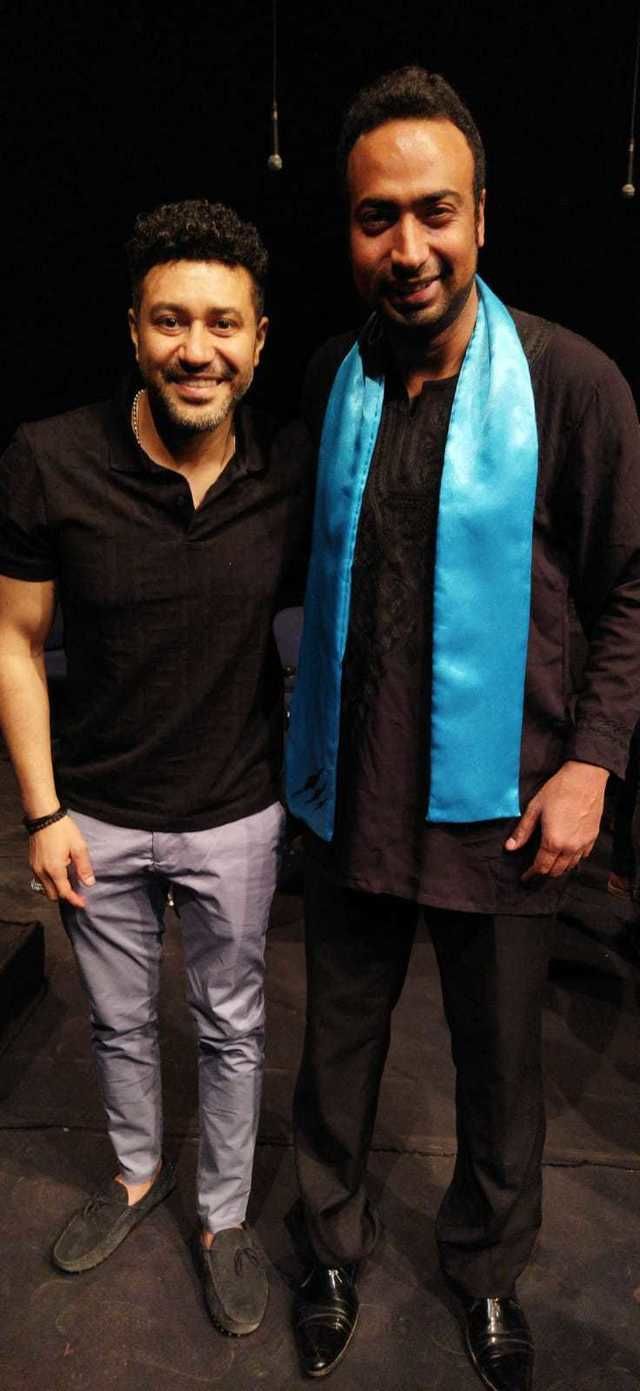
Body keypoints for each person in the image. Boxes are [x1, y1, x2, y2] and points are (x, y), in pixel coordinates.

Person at [285, 68, 640, 1389]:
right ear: (350, 228)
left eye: (435, 211)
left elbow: (631, 584)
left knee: (501, 1068)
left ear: (481, 214)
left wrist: (592, 762)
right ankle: (328, 1246)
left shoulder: (570, 382)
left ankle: (486, 1271)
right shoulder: (333, 376)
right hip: (351, 791)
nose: (408, 246)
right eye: (377, 216)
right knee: (334, 1050)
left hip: (506, 800)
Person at [0, 199, 309, 1337]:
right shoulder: (50, 458)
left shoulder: (291, 467)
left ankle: (223, 1216)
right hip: (96, 814)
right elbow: (14, 641)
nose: (196, 348)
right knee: (119, 1022)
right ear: (133, 331)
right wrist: (42, 812)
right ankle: (136, 1176)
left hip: (237, 812)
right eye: (171, 320)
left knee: (232, 1027)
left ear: (259, 339)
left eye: (222, 323)